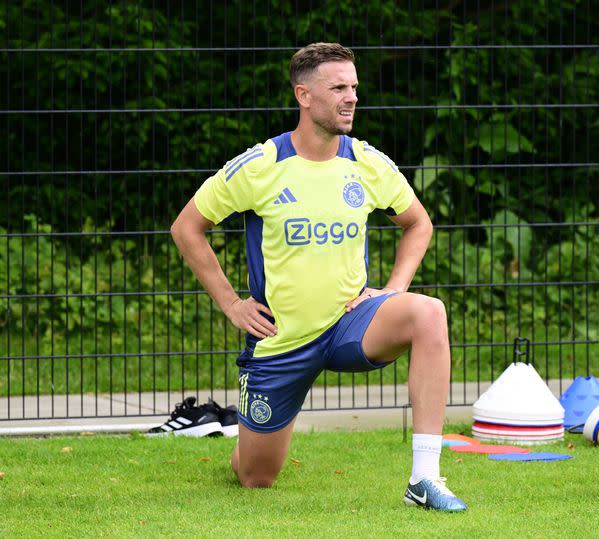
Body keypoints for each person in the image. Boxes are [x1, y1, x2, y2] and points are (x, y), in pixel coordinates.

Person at [170, 42, 466, 512]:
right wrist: (231, 304)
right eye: (338, 88)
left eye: (354, 88)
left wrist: (394, 291)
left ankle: (424, 478)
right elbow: (187, 228)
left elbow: (419, 223)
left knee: (429, 314)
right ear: (303, 95)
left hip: (351, 323)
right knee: (256, 478)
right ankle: (250, 438)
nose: (351, 98)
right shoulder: (261, 165)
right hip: (280, 340)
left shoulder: (367, 162)